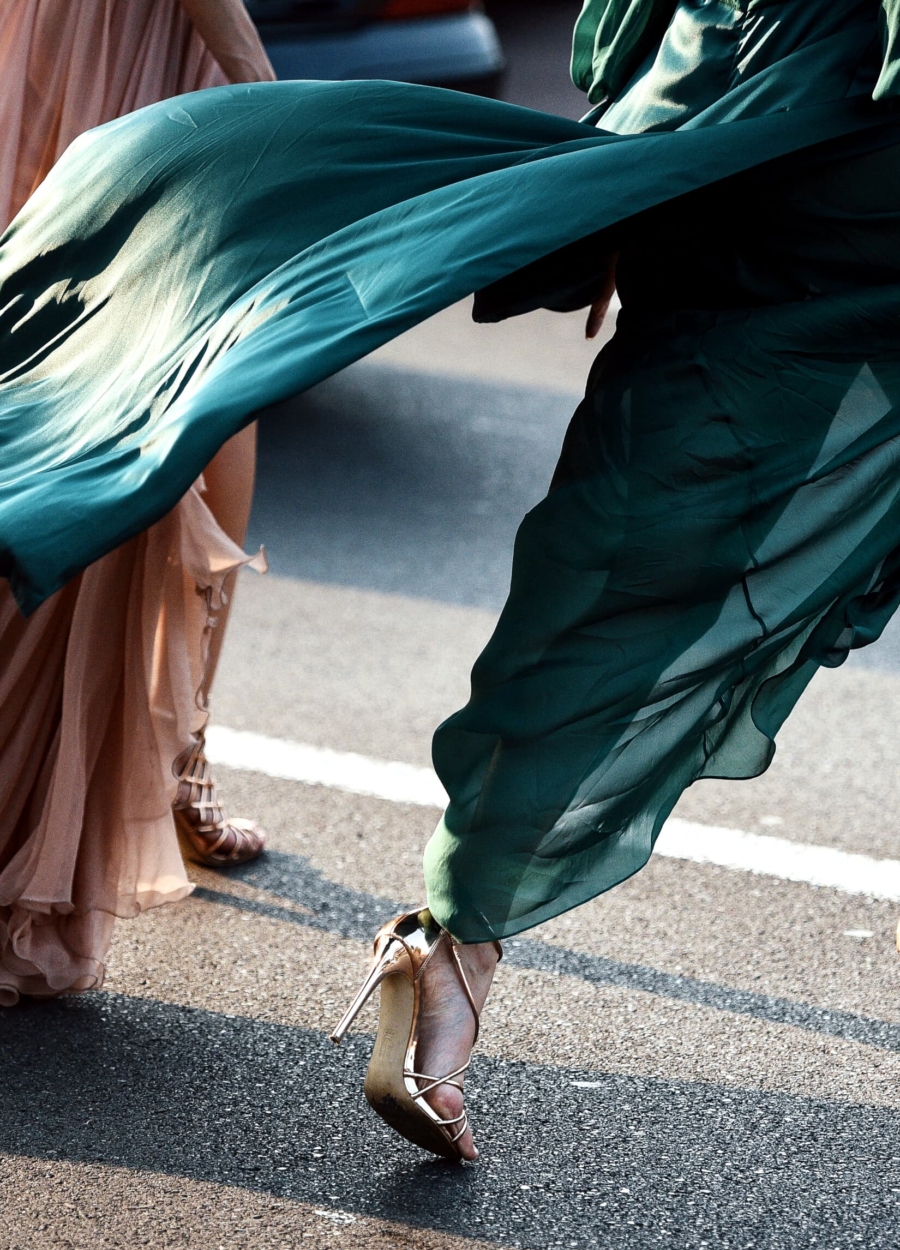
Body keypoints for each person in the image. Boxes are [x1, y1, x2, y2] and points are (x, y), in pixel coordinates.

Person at [1, 0, 898, 1158]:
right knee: (671, 557)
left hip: (746, 110)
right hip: (837, 154)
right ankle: (451, 936)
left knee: (629, 555)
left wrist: (632, 154)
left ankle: (442, 937)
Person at [0, 0, 275, 1006]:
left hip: (76, 59)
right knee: (163, 414)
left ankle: (176, 757)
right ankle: (162, 768)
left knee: (80, 405)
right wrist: (269, 101)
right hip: (148, 80)